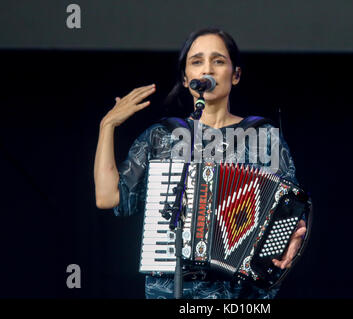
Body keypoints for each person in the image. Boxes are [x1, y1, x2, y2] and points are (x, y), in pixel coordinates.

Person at [94, 27, 307, 299]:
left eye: (218, 61)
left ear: (236, 74)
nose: (207, 68)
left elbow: (292, 209)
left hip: (242, 294)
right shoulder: (162, 137)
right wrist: (107, 125)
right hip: (172, 290)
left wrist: (294, 237)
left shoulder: (264, 137)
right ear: (186, 79)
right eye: (197, 61)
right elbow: (107, 197)